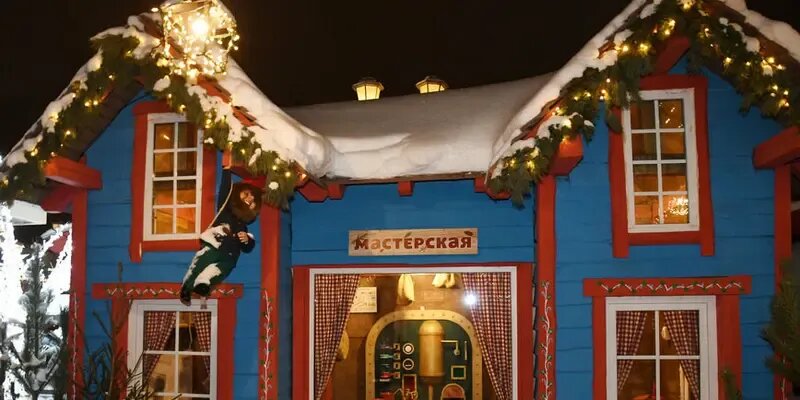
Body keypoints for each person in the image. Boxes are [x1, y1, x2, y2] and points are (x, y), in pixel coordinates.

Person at [180, 165, 261, 305]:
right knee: (201, 262)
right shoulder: (225, 208)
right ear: (239, 193)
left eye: (253, 200)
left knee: (220, 271)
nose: (250, 198)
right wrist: (226, 170)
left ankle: (203, 284)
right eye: (246, 194)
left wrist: (247, 240)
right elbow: (225, 189)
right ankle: (187, 288)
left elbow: (247, 247)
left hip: (230, 256)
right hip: (215, 244)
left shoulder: (243, 226)